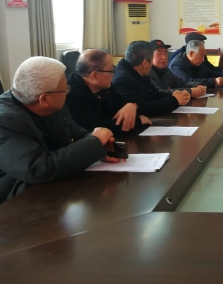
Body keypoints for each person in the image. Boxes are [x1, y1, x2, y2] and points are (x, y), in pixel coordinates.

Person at [0, 57, 120, 203]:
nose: (68, 92)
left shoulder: (53, 105)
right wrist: (94, 143)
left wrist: (100, 147)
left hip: (54, 186)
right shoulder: (4, 122)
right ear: (44, 99)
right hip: (16, 200)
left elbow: (74, 131)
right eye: (65, 88)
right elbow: (39, 168)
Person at [66, 49, 152, 136]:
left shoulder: (104, 86)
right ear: (95, 75)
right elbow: (96, 128)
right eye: (111, 70)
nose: (113, 74)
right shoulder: (71, 94)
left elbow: (124, 101)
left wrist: (132, 105)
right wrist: (138, 121)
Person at [113, 41, 190, 115]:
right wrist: (174, 100)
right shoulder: (123, 80)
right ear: (145, 63)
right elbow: (143, 108)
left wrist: (176, 96)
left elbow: (154, 94)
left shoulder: (140, 72)